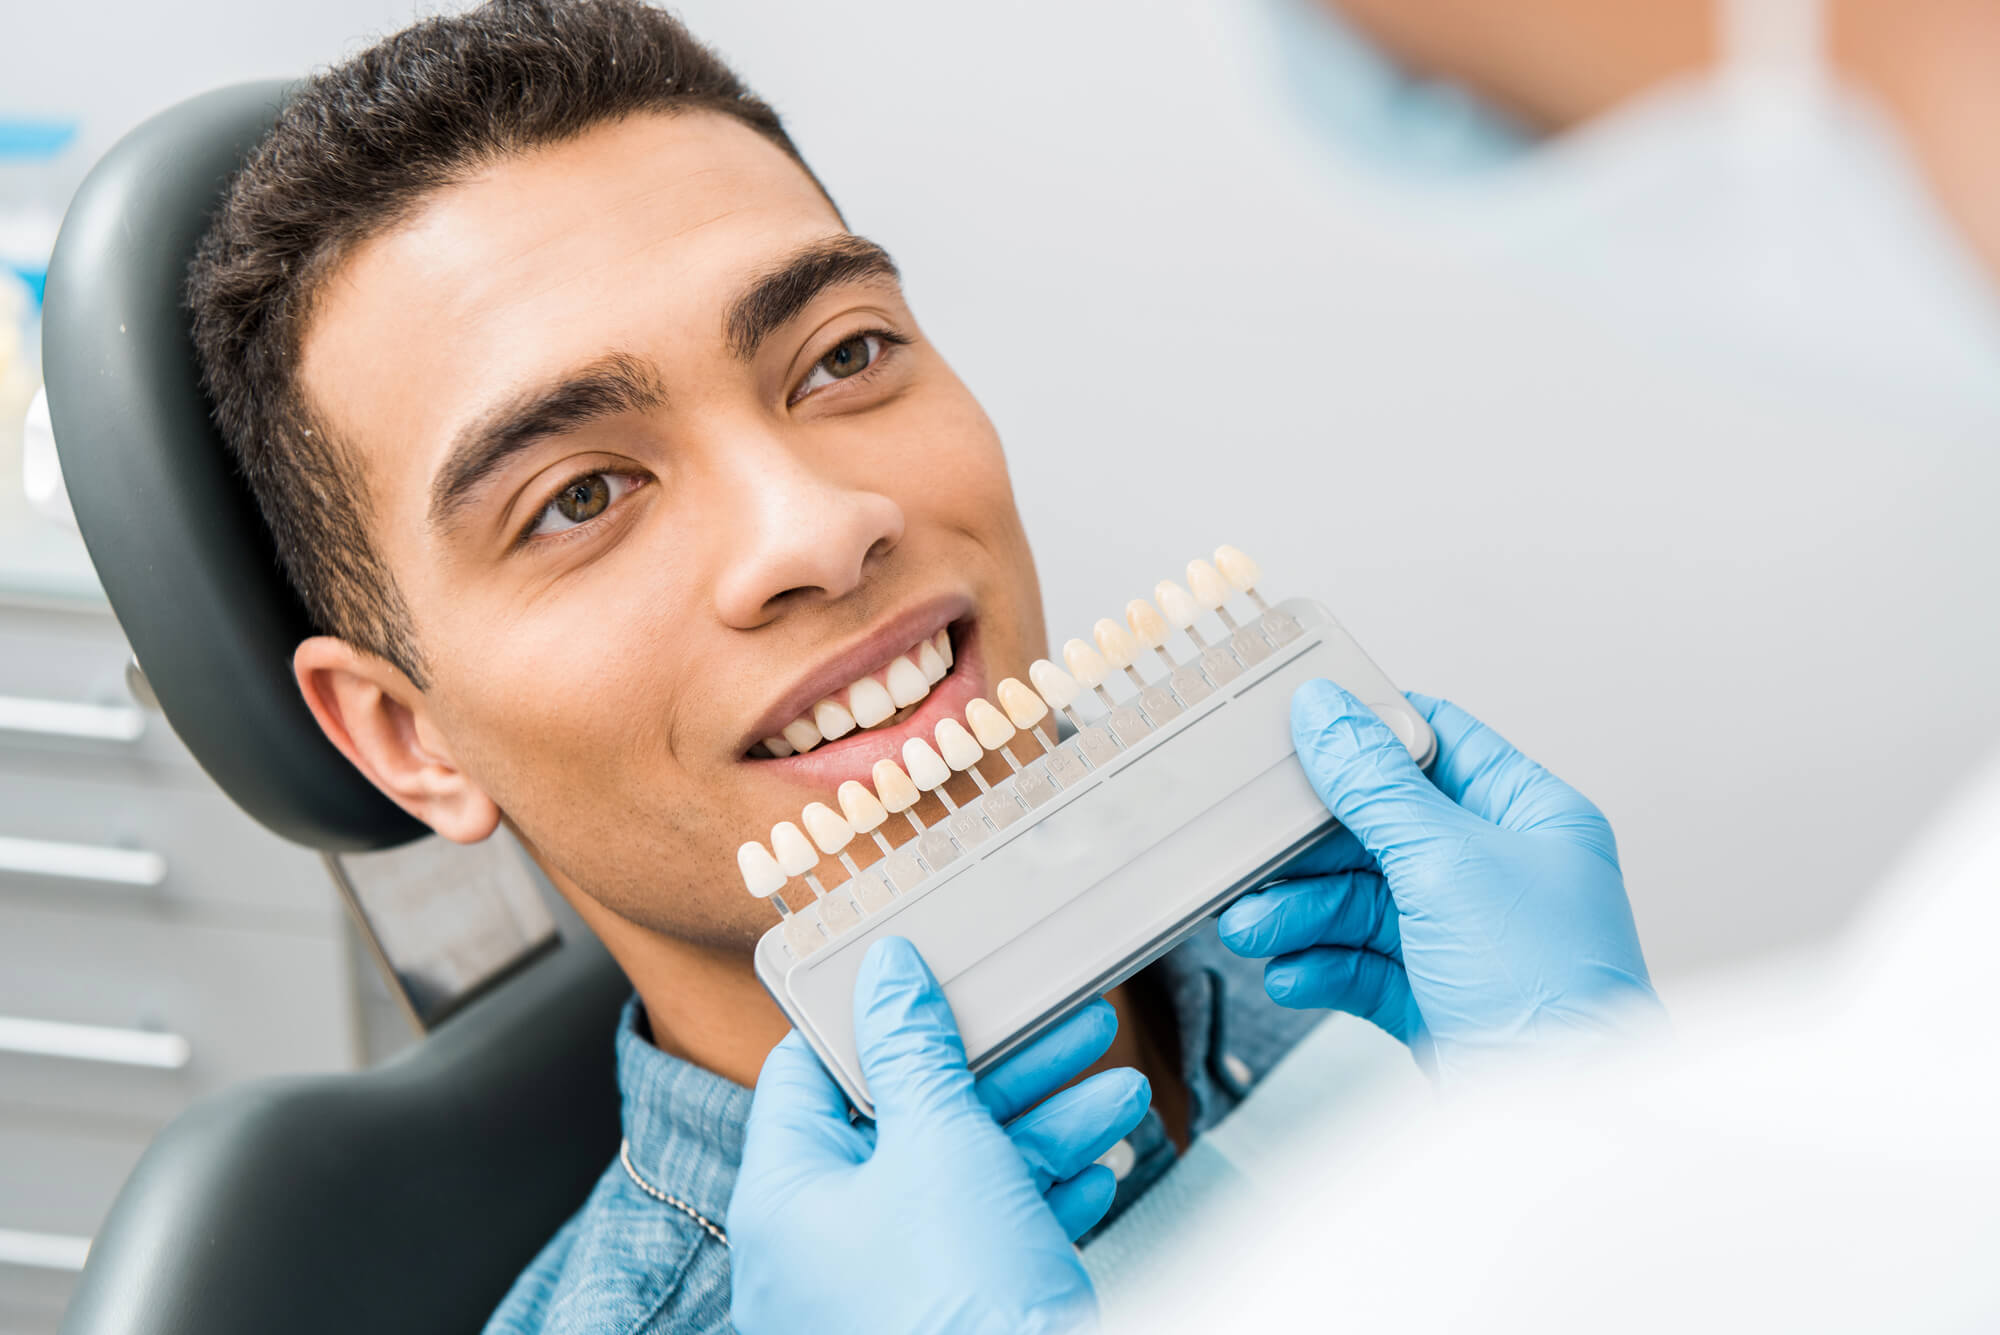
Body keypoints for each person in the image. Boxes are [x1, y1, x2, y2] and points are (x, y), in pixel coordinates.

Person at [183, 2, 1355, 1329]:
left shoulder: (1385, 936)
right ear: (409, 739)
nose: (819, 528)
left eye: (844, 355)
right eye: (580, 497)